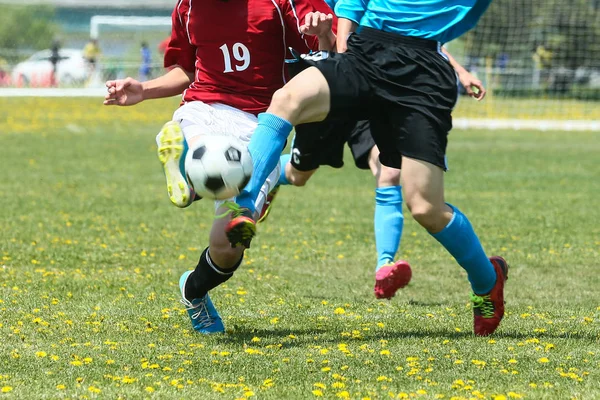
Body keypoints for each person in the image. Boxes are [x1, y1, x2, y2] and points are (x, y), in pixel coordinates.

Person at [224, 0, 509, 336]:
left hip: (422, 75)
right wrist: (343, 51)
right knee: (287, 99)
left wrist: (459, 71)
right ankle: (244, 206)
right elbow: (352, 3)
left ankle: (487, 281)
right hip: (365, 52)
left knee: (425, 208)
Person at [104, 0, 337, 334]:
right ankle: (188, 170)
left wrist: (325, 33)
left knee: (231, 244)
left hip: (262, 128)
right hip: (203, 110)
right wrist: (143, 90)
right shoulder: (188, 6)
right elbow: (186, 71)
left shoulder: (282, 3)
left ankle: (193, 290)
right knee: (211, 157)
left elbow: (330, 61)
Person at [258, 44, 486, 300]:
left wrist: (461, 72)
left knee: (389, 171)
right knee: (297, 175)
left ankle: (384, 266)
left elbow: (419, 36)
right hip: (332, 89)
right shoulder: (318, 7)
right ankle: (272, 177)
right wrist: (325, 37)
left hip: (374, 88)